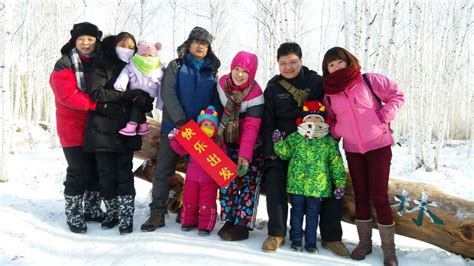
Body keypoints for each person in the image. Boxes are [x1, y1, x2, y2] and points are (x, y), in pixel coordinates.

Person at [260, 42, 349, 256]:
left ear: (301, 60)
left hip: (315, 147)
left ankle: (331, 237)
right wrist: (271, 149)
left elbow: (333, 108)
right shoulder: (273, 88)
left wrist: (329, 144)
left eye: (293, 62)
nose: (288, 67)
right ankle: (277, 233)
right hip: (285, 146)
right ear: (278, 64)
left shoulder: (316, 82)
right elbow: (268, 122)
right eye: (283, 63)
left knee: (330, 183)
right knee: (273, 178)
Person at [321, 47, 404, 266]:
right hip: (353, 150)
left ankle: (389, 250)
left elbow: (397, 95)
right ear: (326, 69)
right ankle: (364, 243)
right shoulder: (329, 94)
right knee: (360, 195)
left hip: (378, 147)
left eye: (339, 62)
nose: (336, 67)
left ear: (348, 61)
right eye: (331, 65)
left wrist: (384, 116)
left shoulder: (368, 81)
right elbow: (329, 120)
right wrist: (338, 130)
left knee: (379, 196)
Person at [140, 26, 221, 232]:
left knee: (198, 174)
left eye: (205, 43)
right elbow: (168, 94)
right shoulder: (176, 66)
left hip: (201, 132)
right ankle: (157, 212)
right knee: (164, 169)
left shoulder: (212, 70)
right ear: (189, 44)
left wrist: (209, 119)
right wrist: (182, 121)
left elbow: (214, 100)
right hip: (175, 126)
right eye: (197, 42)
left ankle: (190, 212)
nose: (201, 46)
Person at [84, 32, 154, 235]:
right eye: (122, 44)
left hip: (126, 130)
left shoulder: (139, 66)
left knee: (124, 174)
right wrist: (125, 95)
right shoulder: (102, 64)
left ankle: (126, 215)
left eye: (131, 46)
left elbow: (147, 94)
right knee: (105, 174)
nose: (127, 49)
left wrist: (143, 100)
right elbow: (96, 93)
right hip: (102, 128)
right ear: (114, 45)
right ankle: (112, 212)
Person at [50, 22, 106, 234]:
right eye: (81, 39)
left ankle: (91, 209)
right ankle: (73, 212)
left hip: (96, 126)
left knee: (95, 170)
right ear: (74, 40)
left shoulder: (100, 62)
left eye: (90, 39)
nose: (85, 43)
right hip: (72, 126)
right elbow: (67, 96)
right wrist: (98, 105)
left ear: (96, 42)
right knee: (78, 171)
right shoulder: (64, 64)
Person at [272, 100, 346, 254]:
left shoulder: (328, 142)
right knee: (297, 211)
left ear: (324, 121)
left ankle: (311, 242)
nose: (314, 122)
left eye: (318, 119)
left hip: (318, 187)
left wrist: (340, 184)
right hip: (297, 185)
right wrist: (278, 142)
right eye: (310, 118)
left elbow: (336, 164)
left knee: (313, 215)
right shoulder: (296, 137)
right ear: (304, 120)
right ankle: (296, 238)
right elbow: (285, 154)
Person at [216, 51, 264, 241]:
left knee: (247, 182)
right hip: (227, 141)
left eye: (245, 71)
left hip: (250, 146)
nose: (239, 74)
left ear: (251, 73)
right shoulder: (222, 84)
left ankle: (242, 224)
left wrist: (245, 157)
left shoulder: (255, 94)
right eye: (236, 68)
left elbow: (251, 128)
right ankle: (228, 220)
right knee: (227, 181)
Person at [168, 106, 221, 236]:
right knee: (189, 200)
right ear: (199, 125)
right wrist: (174, 138)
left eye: (211, 125)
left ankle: (205, 226)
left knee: (207, 203)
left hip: (209, 181)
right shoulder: (195, 140)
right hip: (192, 178)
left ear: (215, 129)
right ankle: (188, 221)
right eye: (205, 124)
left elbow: (221, 162)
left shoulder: (218, 143)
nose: (208, 127)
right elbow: (181, 149)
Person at [114, 40, 164, 136]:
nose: (146, 58)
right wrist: (120, 86)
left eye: (150, 56)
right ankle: (143, 125)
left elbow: (162, 87)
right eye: (144, 55)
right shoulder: (133, 64)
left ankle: (131, 125)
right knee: (135, 105)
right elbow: (125, 74)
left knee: (137, 106)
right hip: (134, 91)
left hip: (149, 94)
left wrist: (160, 103)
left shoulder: (159, 69)